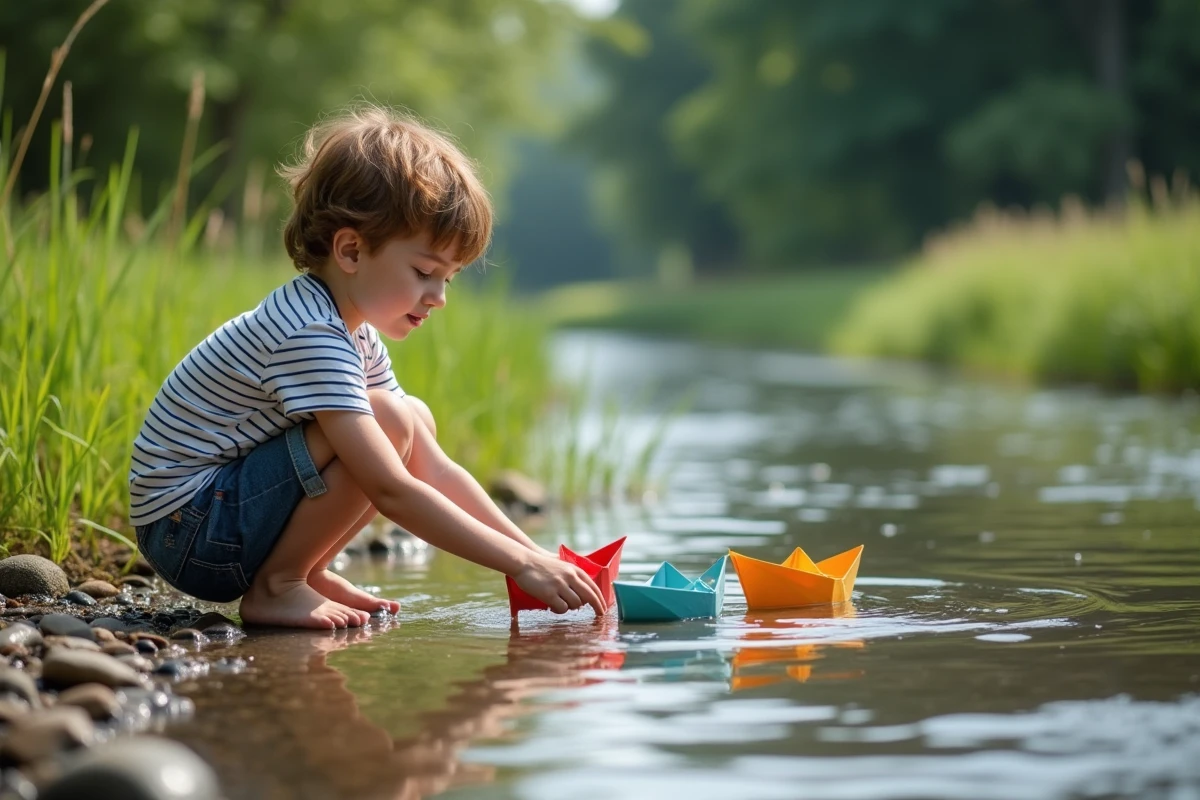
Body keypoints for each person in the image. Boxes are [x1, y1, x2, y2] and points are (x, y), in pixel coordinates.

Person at [129, 105, 605, 629]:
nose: (439, 297)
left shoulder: (353, 330)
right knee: (390, 419)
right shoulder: (309, 333)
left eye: (449, 279)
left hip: (215, 512)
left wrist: (533, 557)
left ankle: (301, 572)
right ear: (351, 250)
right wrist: (516, 564)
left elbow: (432, 465)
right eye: (425, 272)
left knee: (411, 417)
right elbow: (389, 487)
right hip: (189, 530)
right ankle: (278, 585)